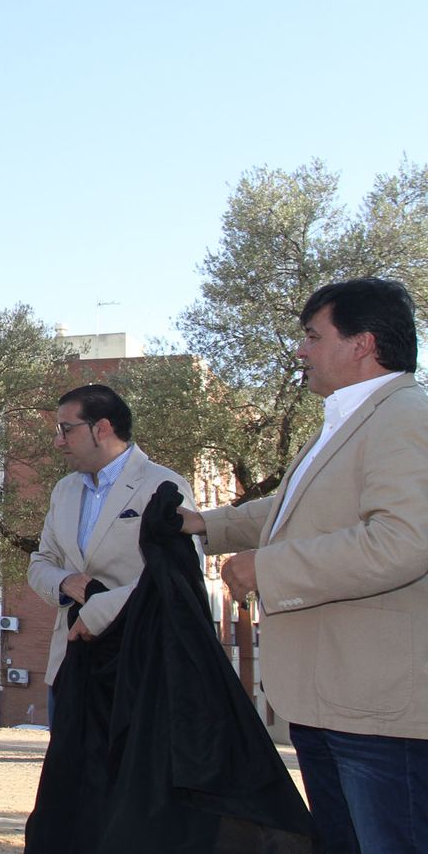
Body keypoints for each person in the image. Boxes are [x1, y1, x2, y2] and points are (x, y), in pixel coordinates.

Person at [181, 277, 428, 853]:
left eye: (313, 336)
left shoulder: (406, 416)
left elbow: (403, 540)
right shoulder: (352, 418)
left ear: (362, 344)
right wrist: (205, 526)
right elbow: (294, 508)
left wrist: (267, 571)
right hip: (338, 703)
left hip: (381, 713)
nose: (301, 350)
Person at [27, 385, 196, 707]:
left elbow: (178, 575)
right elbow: (41, 563)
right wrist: (64, 582)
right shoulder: (63, 491)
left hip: (140, 667)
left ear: (101, 428)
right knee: (69, 759)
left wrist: (99, 608)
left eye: (66, 429)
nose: (58, 441)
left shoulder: (163, 486)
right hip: (70, 667)